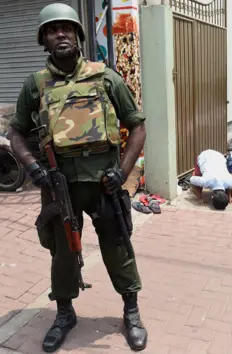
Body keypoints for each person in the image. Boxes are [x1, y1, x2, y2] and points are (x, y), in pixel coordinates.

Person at [7, 4, 147, 352]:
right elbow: (16, 132)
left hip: (105, 184)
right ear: (44, 39)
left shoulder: (106, 77)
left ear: (78, 35)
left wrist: (123, 171)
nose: (61, 34)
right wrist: (32, 166)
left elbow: (138, 126)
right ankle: (65, 313)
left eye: (66, 28)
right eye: (53, 30)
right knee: (63, 254)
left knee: (118, 247)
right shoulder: (35, 85)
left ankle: (131, 311)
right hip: (59, 187)